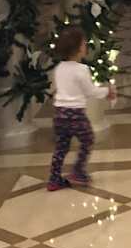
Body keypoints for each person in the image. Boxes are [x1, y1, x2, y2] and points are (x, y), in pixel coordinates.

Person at [47, 26, 115, 192]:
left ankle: (54, 179)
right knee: (88, 140)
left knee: (61, 147)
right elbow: (90, 91)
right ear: (77, 49)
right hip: (76, 114)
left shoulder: (59, 68)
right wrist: (107, 92)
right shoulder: (82, 70)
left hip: (60, 114)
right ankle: (78, 171)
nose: (86, 47)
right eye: (84, 44)